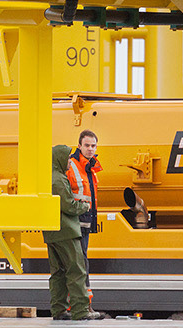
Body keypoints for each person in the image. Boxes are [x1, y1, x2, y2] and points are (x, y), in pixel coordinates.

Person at [46, 144, 98, 320]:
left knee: (58, 273)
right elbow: (68, 205)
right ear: (60, 159)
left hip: (53, 231)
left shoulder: (50, 177)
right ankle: (80, 311)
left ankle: (59, 310)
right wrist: (84, 207)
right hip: (66, 230)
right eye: (67, 158)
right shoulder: (59, 179)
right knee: (76, 270)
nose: (70, 161)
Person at [67, 130, 105, 318]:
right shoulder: (72, 165)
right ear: (79, 146)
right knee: (79, 264)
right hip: (75, 223)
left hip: (84, 222)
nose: (90, 149)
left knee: (81, 263)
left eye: (93, 146)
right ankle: (81, 306)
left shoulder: (90, 167)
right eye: (87, 145)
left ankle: (80, 305)